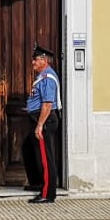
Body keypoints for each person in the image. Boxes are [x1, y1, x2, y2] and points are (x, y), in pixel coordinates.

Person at [26, 44, 62, 204]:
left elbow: (47, 104)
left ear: (43, 60)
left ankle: (48, 193)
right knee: (29, 149)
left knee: (46, 158)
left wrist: (40, 125)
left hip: (45, 121)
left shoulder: (48, 78)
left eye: (35, 59)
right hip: (40, 119)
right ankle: (39, 183)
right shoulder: (42, 76)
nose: (32, 62)